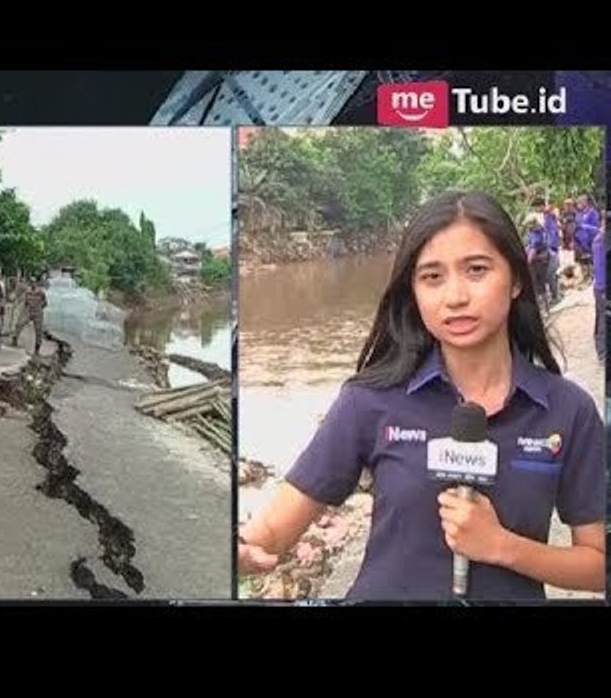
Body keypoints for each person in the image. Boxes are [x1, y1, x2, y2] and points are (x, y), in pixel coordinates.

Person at [239, 191, 606, 601]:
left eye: (477, 270)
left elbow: (597, 566)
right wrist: (237, 551)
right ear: (413, 291)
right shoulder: (369, 401)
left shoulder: (569, 410)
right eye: (432, 276)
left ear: (517, 278)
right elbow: (270, 532)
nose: (455, 297)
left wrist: (504, 547)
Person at [13, 277, 48, 355]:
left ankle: (37, 349)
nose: (33, 284)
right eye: (31, 282)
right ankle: (15, 339)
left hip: (38, 312)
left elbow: (45, 303)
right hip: (28, 311)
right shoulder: (27, 292)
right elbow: (25, 301)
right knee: (19, 324)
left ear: (36, 283)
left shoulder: (41, 292)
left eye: (34, 282)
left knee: (38, 330)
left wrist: (38, 307)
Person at [542, 200, 562, 304]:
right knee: (552, 273)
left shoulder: (551, 219)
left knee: (551, 273)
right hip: (551, 248)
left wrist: (550, 246)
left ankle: (556, 295)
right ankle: (556, 293)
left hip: (552, 249)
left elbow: (552, 235)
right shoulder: (548, 220)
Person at [593, 212, 606, 363]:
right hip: (602, 288)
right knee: (602, 320)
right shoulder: (600, 241)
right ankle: (602, 352)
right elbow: (600, 267)